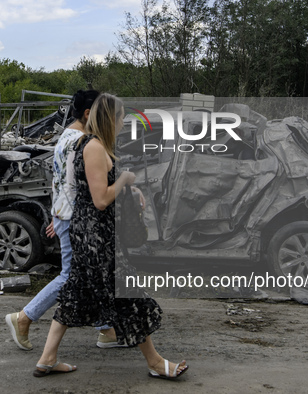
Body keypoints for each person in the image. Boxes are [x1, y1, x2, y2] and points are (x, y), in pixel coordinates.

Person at [33, 93, 188, 379]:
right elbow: (100, 199)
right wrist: (126, 180)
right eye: (121, 117)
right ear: (109, 118)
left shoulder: (95, 145)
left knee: (74, 294)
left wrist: (129, 188)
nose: (124, 121)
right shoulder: (92, 147)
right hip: (95, 236)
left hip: (92, 232)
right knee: (126, 294)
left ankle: (47, 358)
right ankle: (154, 362)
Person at [5, 90, 109, 350]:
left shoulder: (66, 137)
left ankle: (106, 329)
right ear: (88, 114)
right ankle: (24, 317)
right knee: (70, 276)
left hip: (67, 215)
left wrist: (57, 214)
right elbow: (80, 186)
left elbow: (60, 182)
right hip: (77, 218)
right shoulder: (82, 142)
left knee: (91, 274)